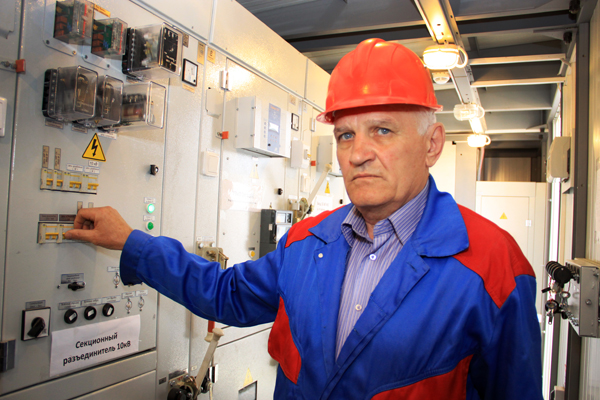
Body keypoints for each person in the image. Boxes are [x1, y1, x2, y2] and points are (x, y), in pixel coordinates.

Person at [65, 38, 543, 399]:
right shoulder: (307, 242)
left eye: (382, 130)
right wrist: (131, 242)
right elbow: (224, 293)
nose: (358, 154)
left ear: (432, 144)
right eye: (346, 135)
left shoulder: (493, 265)